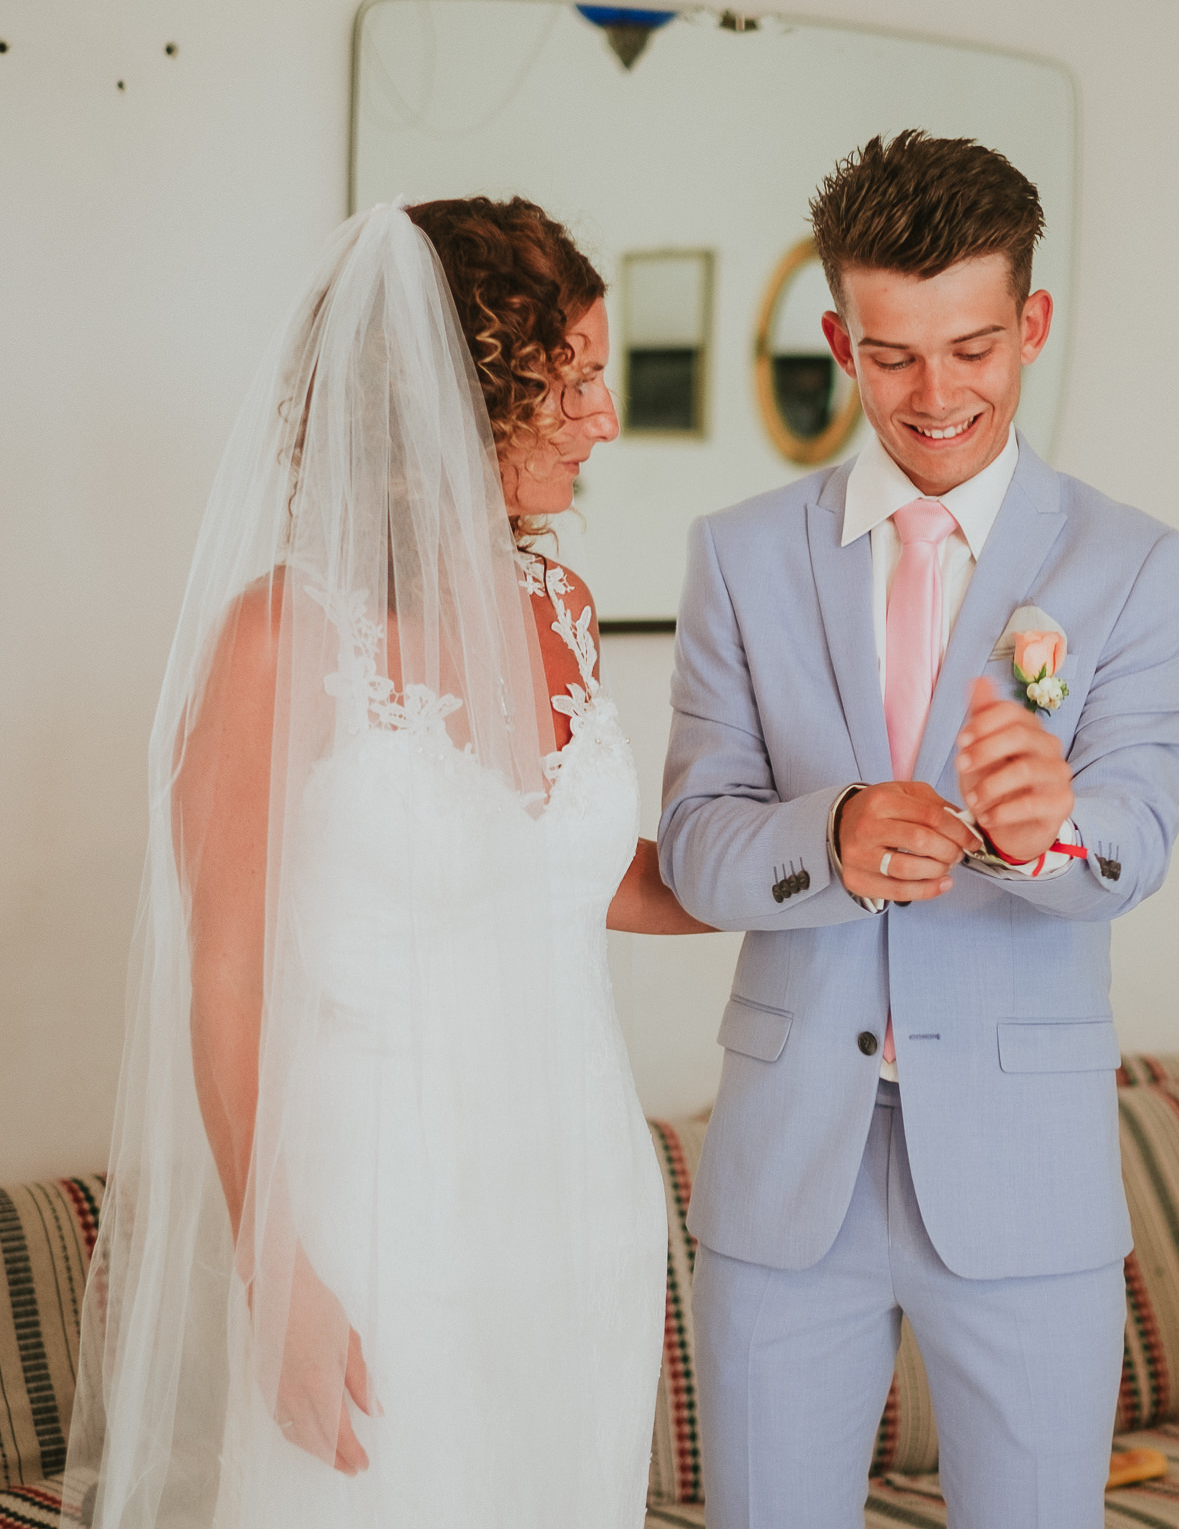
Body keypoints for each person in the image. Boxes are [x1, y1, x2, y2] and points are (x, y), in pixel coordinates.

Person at [63, 194, 706, 1529]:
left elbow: (588, 880)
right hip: (380, 1216)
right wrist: (274, 1273)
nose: (602, 417)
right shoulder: (280, 641)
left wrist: (824, 857)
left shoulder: (562, 610)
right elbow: (225, 978)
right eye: (570, 379)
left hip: (580, 1202)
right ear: (463, 402)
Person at [658, 130, 1179, 1528]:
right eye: (893, 356)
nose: (937, 394)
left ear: (1033, 324)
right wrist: (825, 837)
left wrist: (1048, 831)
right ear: (841, 340)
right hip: (787, 1175)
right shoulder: (737, 553)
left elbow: (1136, 833)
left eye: (972, 348)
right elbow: (695, 843)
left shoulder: (1133, 562)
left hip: (1027, 1174)